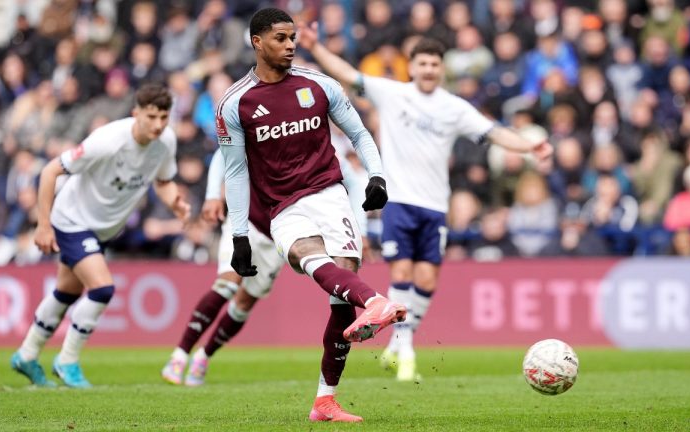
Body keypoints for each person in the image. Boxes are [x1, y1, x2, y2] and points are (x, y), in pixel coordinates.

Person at [297, 23, 553, 381]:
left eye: (435, 64)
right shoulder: (392, 94)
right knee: (402, 273)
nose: (429, 70)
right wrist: (315, 47)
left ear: (441, 68)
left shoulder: (454, 108)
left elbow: (493, 132)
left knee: (428, 280)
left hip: (435, 205)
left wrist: (531, 146)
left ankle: (398, 345)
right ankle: (406, 352)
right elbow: (347, 74)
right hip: (399, 201)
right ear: (412, 66)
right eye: (423, 63)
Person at [217, 8, 406, 423]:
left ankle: (325, 401)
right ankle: (376, 301)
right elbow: (234, 171)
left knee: (341, 298)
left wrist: (377, 177)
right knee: (307, 255)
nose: (290, 46)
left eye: (293, 38)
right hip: (281, 207)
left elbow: (359, 133)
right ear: (257, 42)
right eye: (281, 39)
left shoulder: (319, 85)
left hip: (331, 195)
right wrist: (239, 236)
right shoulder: (235, 103)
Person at [10, 83, 191, 388]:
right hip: (72, 220)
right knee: (103, 289)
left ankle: (27, 354)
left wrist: (175, 200)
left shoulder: (166, 141)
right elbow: (50, 171)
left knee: (66, 292)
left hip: (103, 228)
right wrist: (43, 225)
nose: (159, 124)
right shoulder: (107, 141)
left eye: (164, 117)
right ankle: (67, 360)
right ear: (136, 114)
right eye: (152, 117)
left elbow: (163, 180)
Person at [161, 148, 369, 387]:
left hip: (278, 236)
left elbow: (352, 181)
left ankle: (204, 355)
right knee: (227, 284)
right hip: (244, 223)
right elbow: (223, 154)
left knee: (243, 304)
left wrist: (359, 229)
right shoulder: (266, 125)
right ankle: (179, 355)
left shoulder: (318, 144)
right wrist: (212, 195)